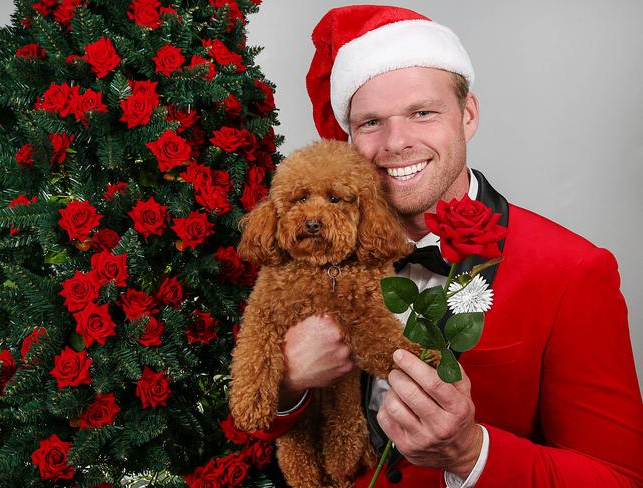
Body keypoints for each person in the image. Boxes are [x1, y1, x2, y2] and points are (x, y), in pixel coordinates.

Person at [254, 5, 643, 487]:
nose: (396, 143)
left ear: (468, 114)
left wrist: (470, 454)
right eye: (371, 123)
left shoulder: (574, 270)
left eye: (422, 113)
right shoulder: (313, 248)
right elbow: (255, 426)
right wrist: (289, 381)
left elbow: (619, 478)